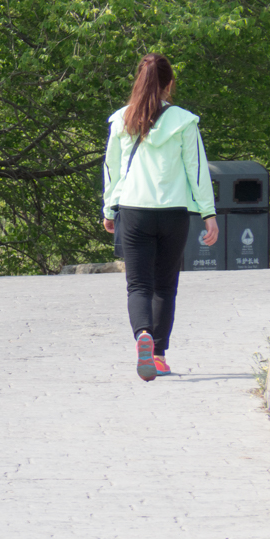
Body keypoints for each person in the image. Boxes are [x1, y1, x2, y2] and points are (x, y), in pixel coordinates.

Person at [103, 52, 217, 381]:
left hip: (133, 210)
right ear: (170, 84)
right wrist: (208, 213)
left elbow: (112, 169)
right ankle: (158, 355)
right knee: (165, 286)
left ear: (138, 82)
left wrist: (109, 208)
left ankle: (142, 334)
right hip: (173, 212)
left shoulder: (122, 120)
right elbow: (197, 170)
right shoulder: (184, 121)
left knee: (138, 285)